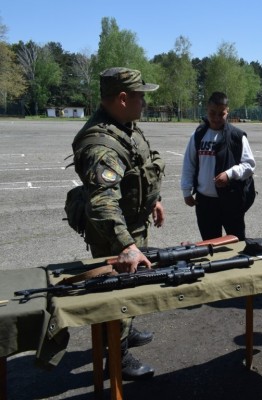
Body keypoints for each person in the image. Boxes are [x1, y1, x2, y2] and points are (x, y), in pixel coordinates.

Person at [71, 67, 165, 380]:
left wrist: (154, 200)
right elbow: (101, 202)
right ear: (122, 98)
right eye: (141, 96)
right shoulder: (101, 144)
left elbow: (141, 166)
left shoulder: (125, 126)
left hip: (133, 226)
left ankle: (125, 330)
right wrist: (126, 245)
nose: (145, 102)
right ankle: (117, 357)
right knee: (115, 295)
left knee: (130, 288)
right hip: (116, 235)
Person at [181, 91, 256, 240]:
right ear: (207, 110)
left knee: (236, 245)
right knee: (210, 246)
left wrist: (230, 174)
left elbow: (249, 165)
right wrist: (186, 191)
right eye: (212, 113)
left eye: (221, 114)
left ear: (227, 111)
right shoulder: (198, 135)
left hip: (231, 202)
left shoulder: (237, 136)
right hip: (205, 203)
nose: (216, 118)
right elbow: (189, 163)